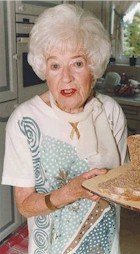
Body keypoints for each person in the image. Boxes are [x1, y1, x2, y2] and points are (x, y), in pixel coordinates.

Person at [2, 4, 128, 254]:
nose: (66, 78)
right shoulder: (25, 121)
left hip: (104, 244)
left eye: (77, 64)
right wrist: (69, 192)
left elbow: (122, 181)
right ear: (44, 70)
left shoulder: (111, 111)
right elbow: (26, 206)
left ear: (93, 67)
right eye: (55, 66)